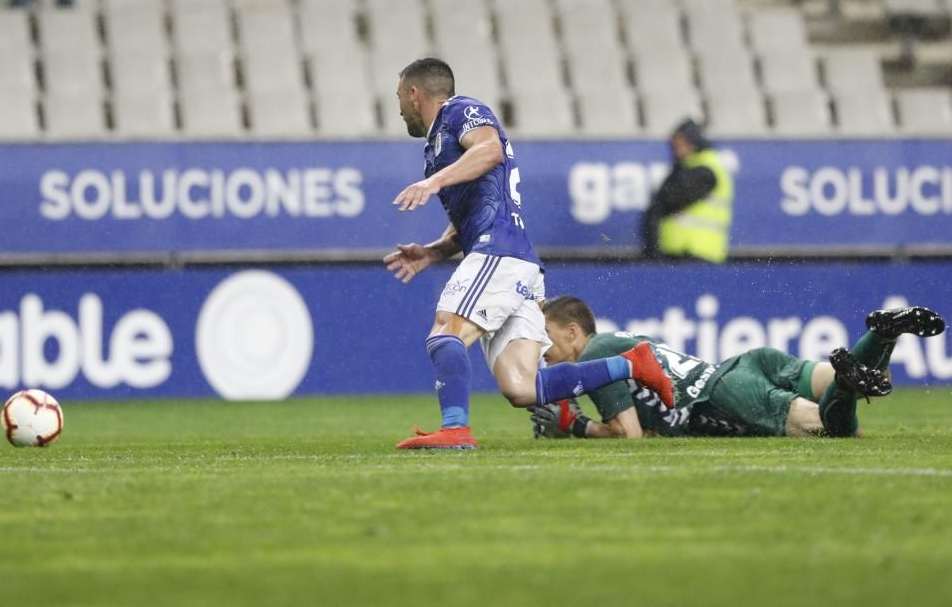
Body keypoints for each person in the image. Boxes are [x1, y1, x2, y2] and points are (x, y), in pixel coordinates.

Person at [385, 58, 671, 450]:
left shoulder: (461, 111)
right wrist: (433, 251)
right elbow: (477, 211)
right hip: (514, 259)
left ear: (415, 94)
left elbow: (489, 151)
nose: (398, 106)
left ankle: (455, 429)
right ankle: (633, 364)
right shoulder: (437, 148)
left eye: (399, 96)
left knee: (445, 331)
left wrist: (432, 182)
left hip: (499, 253)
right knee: (521, 386)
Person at [529, 296, 946, 440]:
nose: (541, 349)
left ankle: (854, 376)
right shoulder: (615, 340)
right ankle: (883, 334)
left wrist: (576, 426)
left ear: (571, 331)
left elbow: (631, 435)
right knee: (848, 407)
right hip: (743, 368)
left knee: (834, 427)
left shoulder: (594, 360)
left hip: (725, 395)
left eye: (545, 335)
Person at [641, 118, 733, 264]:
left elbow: (666, 200)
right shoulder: (704, 166)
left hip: (695, 254)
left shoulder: (704, 171)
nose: (674, 150)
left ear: (692, 142)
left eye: (678, 144)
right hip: (691, 255)